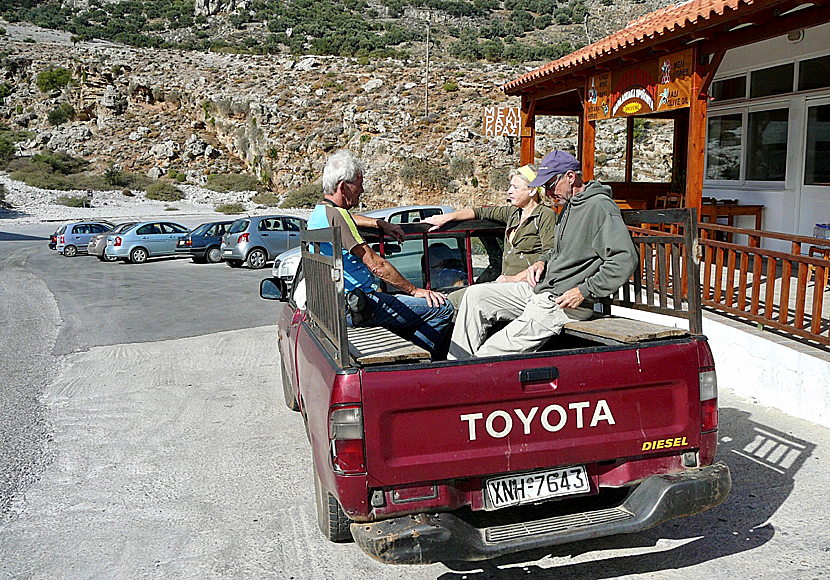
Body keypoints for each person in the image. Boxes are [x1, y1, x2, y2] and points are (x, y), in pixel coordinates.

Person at [447, 150, 638, 360]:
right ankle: (455, 366)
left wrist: (585, 291)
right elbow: (557, 250)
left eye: (550, 184)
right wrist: (542, 261)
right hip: (541, 291)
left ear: (570, 177)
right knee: (476, 296)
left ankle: (467, 375)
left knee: (491, 352)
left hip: (565, 302)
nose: (546, 193)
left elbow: (624, 258)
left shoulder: (600, 207)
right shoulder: (568, 207)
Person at [307, 150, 454, 358]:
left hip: (337, 305)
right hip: (359, 306)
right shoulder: (339, 216)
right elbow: (376, 264)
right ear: (343, 187)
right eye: (358, 186)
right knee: (442, 308)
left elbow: (350, 219)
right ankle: (416, 364)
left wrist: (380, 224)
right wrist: (414, 290)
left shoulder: (321, 213)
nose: (362, 191)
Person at [423, 164, 558, 283]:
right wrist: (447, 218)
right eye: (510, 186)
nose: (509, 191)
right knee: (458, 298)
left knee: (472, 296)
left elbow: (550, 254)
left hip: (527, 285)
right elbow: (480, 213)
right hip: (506, 282)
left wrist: (515, 278)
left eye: (515, 187)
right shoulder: (513, 212)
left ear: (532, 191)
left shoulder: (545, 215)